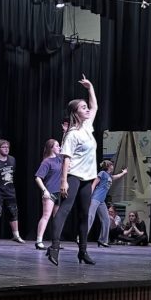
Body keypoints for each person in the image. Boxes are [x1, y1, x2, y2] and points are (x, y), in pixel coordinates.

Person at [47, 75, 98, 266]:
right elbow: (66, 159)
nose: (87, 109)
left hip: (87, 177)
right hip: (74, 176)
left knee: (84, 214)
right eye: (82, 107)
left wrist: (90, 87)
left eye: (85, 107)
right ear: (75, 113)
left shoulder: (87, 127)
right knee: (64, 211)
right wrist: (63, 181)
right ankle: (54, 247)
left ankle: (83, 251)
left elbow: (95, 107)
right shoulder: (72, 134)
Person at [87, 160, 127, 247]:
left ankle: (103, 240)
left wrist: (124, 173)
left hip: (101, 201)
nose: (113, 167)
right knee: (90, 217)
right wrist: (89, 197)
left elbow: (117, 176)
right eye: (112, 165)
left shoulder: (109, 176)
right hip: (95, 198)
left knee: (106, 220)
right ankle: (81, 237)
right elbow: (93, 184)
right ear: (109, 166)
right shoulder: (102, 173)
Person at [34, 139, 62, 250]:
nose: (59, 147)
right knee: (46, 216)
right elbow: (38, 178)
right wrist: (44, 190)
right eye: (57, 146)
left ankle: (56, 241)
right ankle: (39, 241)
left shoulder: (60, 159)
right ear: (51, 148)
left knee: (57, 218)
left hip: (59, 192)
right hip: (50, 192)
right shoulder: (47, 162)